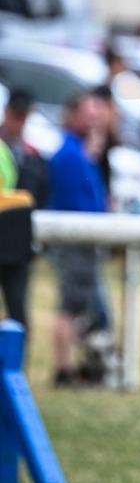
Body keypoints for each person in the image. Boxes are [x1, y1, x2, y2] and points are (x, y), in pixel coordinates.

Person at [48, 91, 110, 386]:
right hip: (76, 242)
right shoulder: (70, 154)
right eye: (88, 115)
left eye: (97, 115)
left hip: (81, 241)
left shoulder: (79, 152)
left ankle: (70, 368)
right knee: (69, 307)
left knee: (75, 308)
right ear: (72, 116)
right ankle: (63, 370)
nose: (94, 120)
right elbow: (79, 203)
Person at [0, 90, 47, 341]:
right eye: (15, 114)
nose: (18, 121)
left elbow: (41, 195)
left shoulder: (33, 155)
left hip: (18, 246)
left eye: (22, 116)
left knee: (19, 312)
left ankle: (16, 370)